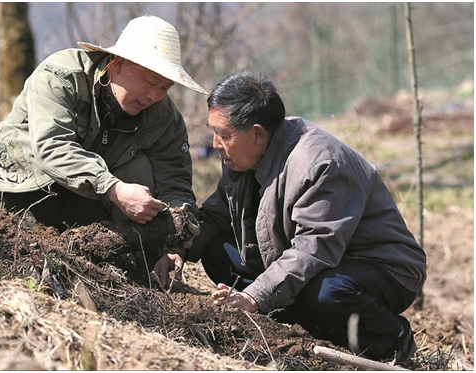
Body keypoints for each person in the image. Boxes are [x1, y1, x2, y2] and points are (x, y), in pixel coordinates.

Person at [153, 70, 427, 361]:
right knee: (218, 251)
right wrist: (176, 248)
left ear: (257, 133)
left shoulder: (319, 164)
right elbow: (217, 214)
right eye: (213, 132)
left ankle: (394, 339)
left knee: (326, 293)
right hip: (315, 261)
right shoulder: (241, 156)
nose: (215, 144)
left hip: (382, 266)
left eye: (223, 134)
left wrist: (255, 295)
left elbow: (314, 250)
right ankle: (308, 323)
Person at [0, 15, 207, 231]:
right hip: (19, 185)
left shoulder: (165, 119)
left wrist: (172, 238)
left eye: (164, 87)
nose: (154, 96)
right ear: (118, 64)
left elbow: (175, 184)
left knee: (141, 169)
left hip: (88, 208)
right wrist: (113, 188)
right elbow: (53, 148)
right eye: (150, 82)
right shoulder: (61, 76)